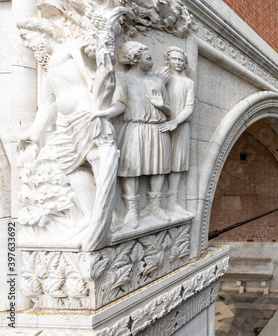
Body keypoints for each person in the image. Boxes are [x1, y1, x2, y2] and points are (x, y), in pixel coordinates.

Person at [17, 18, 119, 251]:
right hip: (65, 124)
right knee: (69, 165)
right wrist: (33, 134)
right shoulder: (48, 68)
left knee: (95, 159)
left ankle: (109, 217)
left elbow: (97, 70)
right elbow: (47, 105)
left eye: (29, 37)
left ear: (43, 33)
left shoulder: (69, 50)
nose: (29, 44)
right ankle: (90, 215)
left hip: (86, 115)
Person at [97, 41, 172, 228]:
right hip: (134, 127)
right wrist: (106, 113)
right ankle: (132, 209)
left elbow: (169, 111)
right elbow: (120, 104)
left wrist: (160, 105)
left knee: (159, 167)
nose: (152, 61)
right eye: (148, 58)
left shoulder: (157, 81)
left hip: (156, 128)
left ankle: (155, 206)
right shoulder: (123, 79)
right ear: (136, 59)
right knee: (131, 167)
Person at [157, 46, 194, 216]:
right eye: (175, 59)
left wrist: (176, 122)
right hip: (160, 124)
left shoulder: (188, 83)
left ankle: (172, 201)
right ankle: (155, 203)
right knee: (159, 161)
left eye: (181, 60)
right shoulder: (162, 77)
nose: (178, 63)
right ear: (168, 60)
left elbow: (189, 107)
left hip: (180, 126)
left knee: (177, 163)